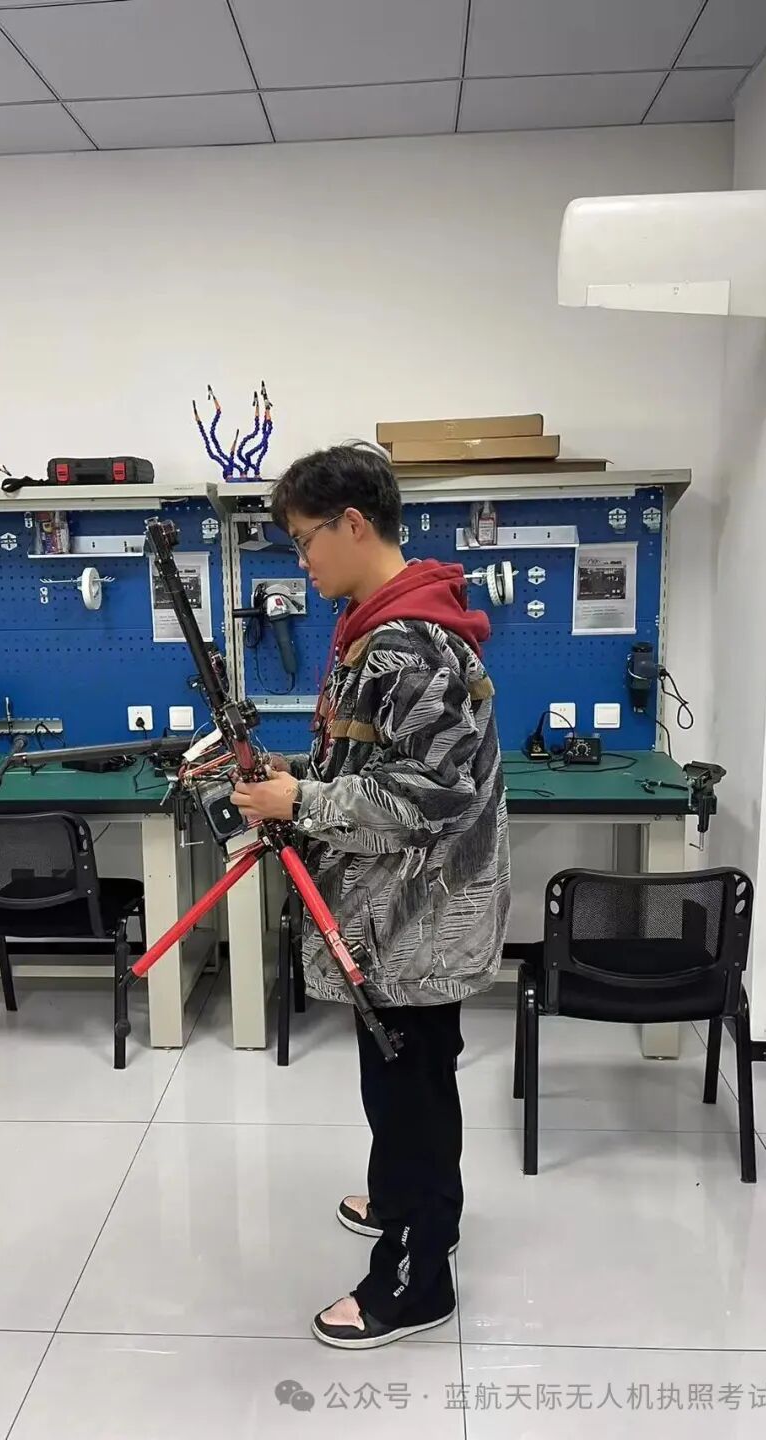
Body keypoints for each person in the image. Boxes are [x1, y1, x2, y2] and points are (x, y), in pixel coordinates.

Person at [230, 443, 511, 1351]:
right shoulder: (378, 625)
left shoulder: (408, 641)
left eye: (305, 539)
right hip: (391, 919)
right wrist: (298, 778)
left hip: (413, 922)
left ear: (353, 524)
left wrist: (303, 803)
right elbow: (377, 759)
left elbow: (433, 794)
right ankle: (406, 1201)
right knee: (406, 1078)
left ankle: (414, 1283)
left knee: (408, 1091)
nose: (301, 561)